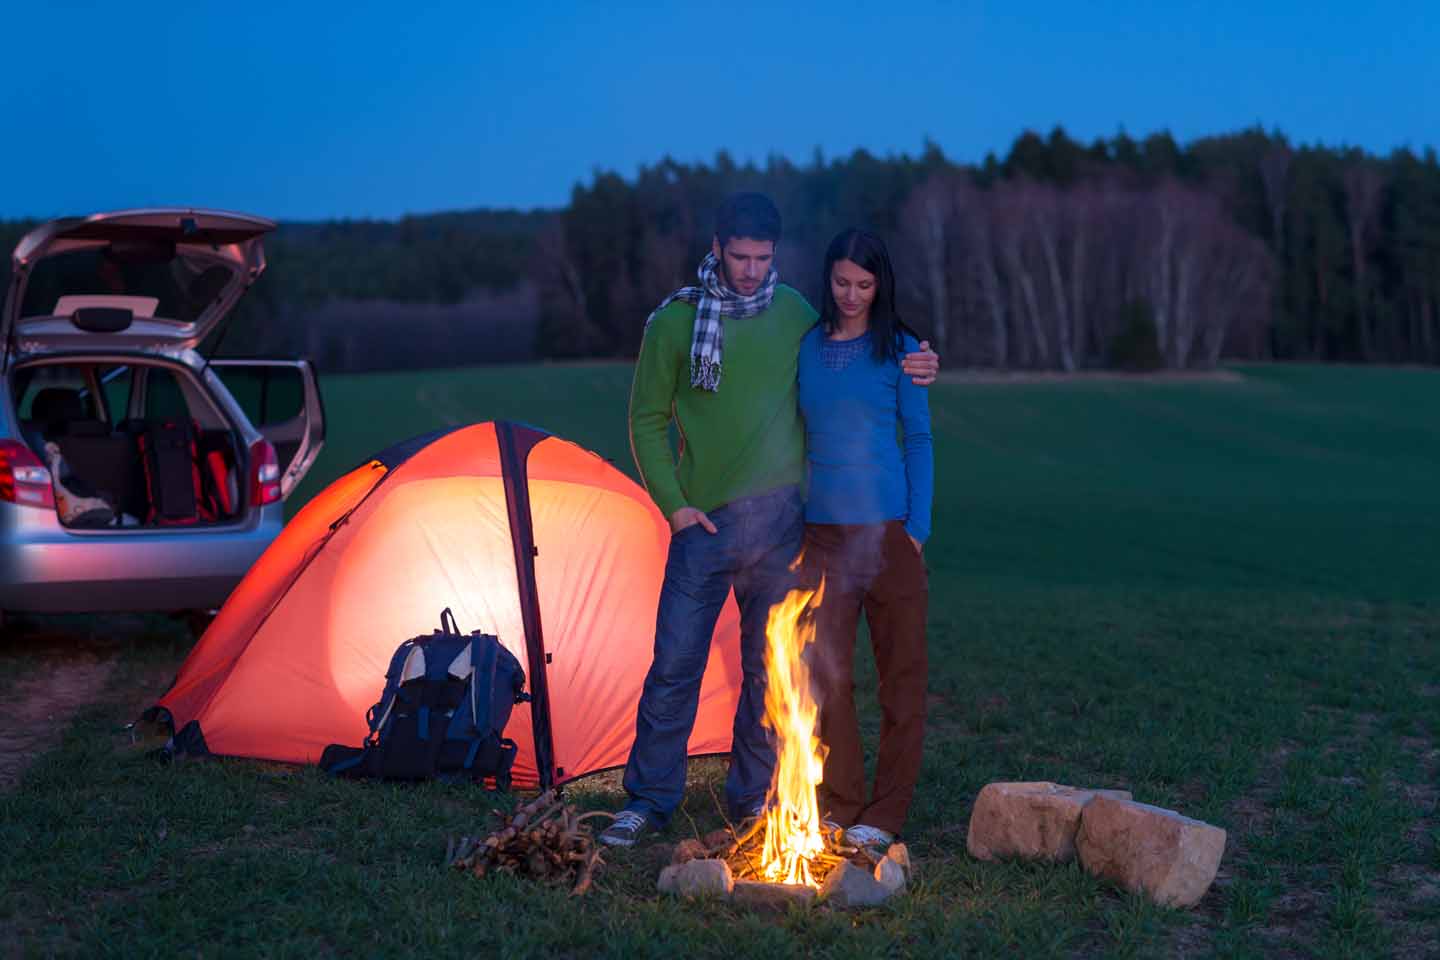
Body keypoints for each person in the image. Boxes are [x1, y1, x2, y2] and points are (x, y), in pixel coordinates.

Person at [601, 194, 939, 847]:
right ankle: (648, 799)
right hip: (707, 523)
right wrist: (674, 505)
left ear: (776, 254)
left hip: (787, 522)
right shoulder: (678, 322)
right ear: (717, 245)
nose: (751, 271)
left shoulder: (797, 317)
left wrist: (926, 360)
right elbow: (645, 418)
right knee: (675, 663)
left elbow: (882, 350)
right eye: (739, 256)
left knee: (769, 667)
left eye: (762, 258)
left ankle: (754, 796)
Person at [798, 228, 932, 851]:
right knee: (828, 676)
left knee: (901, 678)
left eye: (865, 284)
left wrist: (918, 531)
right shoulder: (806, 349)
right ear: (828, 279)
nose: (852, 295)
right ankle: (842, 800)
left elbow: (920, 441)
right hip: (824, 537)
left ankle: (887, 811)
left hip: (889, 537)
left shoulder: (902, 351)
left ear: (881, 286)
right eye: (842, 282)